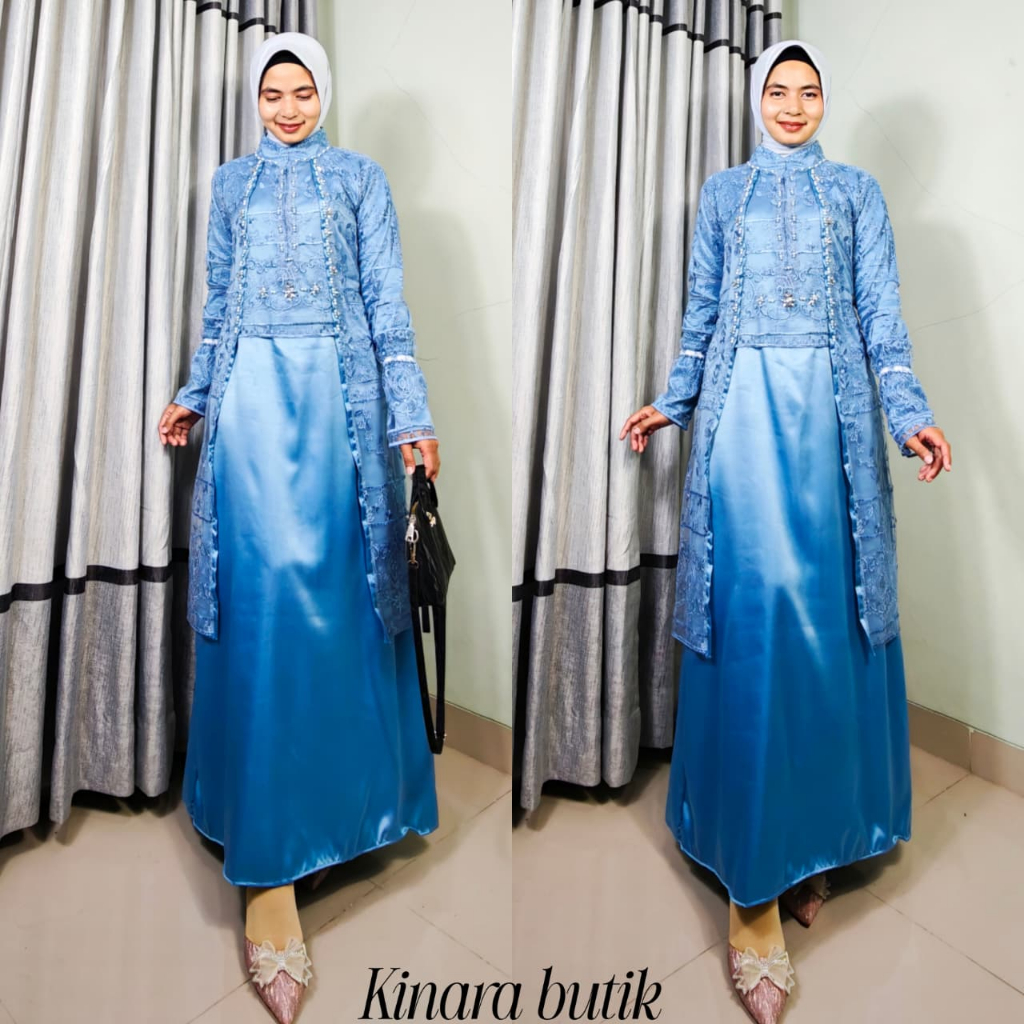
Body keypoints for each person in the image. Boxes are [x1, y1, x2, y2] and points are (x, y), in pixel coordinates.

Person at [620, 39, 951, 1024]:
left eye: (809, 91)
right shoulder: (723, 194)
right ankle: (753, 884)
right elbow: (700, 316)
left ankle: (811, 842)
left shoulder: (856, 195)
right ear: (757, 97)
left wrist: (909, 416)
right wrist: (673, 400)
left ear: (824, 103)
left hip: (834, 440)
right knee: (758, 626)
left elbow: (882, 320)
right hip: (741, 432)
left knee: (823, 632)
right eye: (779, 89)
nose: (794, 104)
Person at [157, 32, 440, 1024]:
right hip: (248, 416)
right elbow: (218, 305)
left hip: (343, 420)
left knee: (340, 610)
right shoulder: (230, 184)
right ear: (257, 98)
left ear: (324, 93)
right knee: (269, 613)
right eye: (272, 92)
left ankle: (345, 809)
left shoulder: (360, 180)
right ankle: (269, 863)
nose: (287, 106)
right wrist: (196, 394)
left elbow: (386, 306)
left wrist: (410, 418)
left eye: (302, 90)